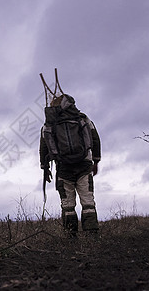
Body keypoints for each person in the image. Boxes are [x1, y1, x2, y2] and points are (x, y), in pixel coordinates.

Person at [39, 94, 101, 238]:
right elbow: (95, 139)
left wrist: (45, 168)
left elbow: (43, 148)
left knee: (67, 204)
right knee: (88, 201)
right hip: (84, 165)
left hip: (63, 167)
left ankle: (70, 236)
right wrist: (96, 161)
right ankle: (91, 235)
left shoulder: (48, 124)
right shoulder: (83, 118)